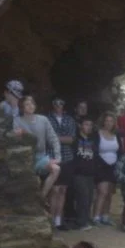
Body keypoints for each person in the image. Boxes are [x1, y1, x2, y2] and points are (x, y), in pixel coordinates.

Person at [13, 96, 63, 229]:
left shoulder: (43, 120)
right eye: (26, 104)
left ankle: (40, 197)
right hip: (24, 158)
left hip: (41, 157)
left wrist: (57, 156)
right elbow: (14, 141)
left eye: (32, 103)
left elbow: (53, 138)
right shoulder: (17, 121)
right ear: (22, 107)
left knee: (56, 169)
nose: (30, 106)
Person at [48, 97, 77, 225]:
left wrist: (55, 138)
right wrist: (61, 138)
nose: (58, 105)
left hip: (67, 157)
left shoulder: (69, 119)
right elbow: (47, 138)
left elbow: (71, 139)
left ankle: (58, 220)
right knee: (54, 189)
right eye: (56, 103)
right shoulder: (47, 119)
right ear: (52, 105)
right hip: (52, 157)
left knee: (63, 190)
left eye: (61, 103)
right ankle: (51, 218)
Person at [92, 112, 122, 227]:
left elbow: (120, 150)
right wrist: (101, 163)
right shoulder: (97, 134)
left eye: (111, 121)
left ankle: (105, 216)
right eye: (107, 121)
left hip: (114, 166)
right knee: (102, 192)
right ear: (103, 122)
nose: (109, 123)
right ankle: (96, 216)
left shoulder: (116, 135)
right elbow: (94, 151)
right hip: (101, 166)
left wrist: (118, 164)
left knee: (109, 193)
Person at [71, 117, 97, 231]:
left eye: (90, 125)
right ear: (80, 125)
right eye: (86, 124)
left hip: (90, 172)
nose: (88, 127)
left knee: (90, 197)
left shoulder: (93, 139)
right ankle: (80, 222)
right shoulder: (75, 139)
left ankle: (85, 219)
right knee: (83, 196)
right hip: (78, 173)